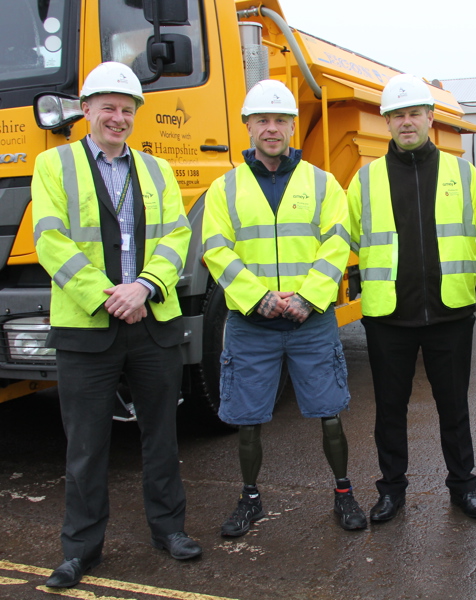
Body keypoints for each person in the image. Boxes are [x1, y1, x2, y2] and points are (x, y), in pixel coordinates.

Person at [32, 62, 200, 589]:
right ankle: (80, 550)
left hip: (152, 323)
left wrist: (145, 287)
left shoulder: (157, 169)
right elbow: (50, 241)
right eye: (108, 107)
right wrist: (108, 298)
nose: (118, 117)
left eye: (127, 110)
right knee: (85, 446)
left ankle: (169, 530)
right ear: (86, 111)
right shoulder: (53, 165)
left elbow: (177, 237)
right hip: (89, 326)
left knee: (161, 436)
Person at [202, 79, 366, 536]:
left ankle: (343, 491)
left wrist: (308, 297)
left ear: (293, 127)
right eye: (262, 121)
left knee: (328, 409)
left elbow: (338, 242)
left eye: (280, 121)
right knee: (247, 416)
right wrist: (259, 298)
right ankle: (250, 498)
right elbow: (217, 249)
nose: (271, 129)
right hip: (251, 322)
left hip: (309, 320)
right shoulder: (225, 188)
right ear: (248, 127)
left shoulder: (322, 182)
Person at [347, 73, 476, 522]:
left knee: (454, 407)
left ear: (430, 117)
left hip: (450, 311)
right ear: (386, 122)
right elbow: (351, 235)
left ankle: (463, 488)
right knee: (389, 410)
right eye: (397, 115)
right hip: (389, 316)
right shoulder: (365, 180)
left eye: (414, 113)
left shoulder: (464, 175)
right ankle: (391, 490)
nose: (406, 122)